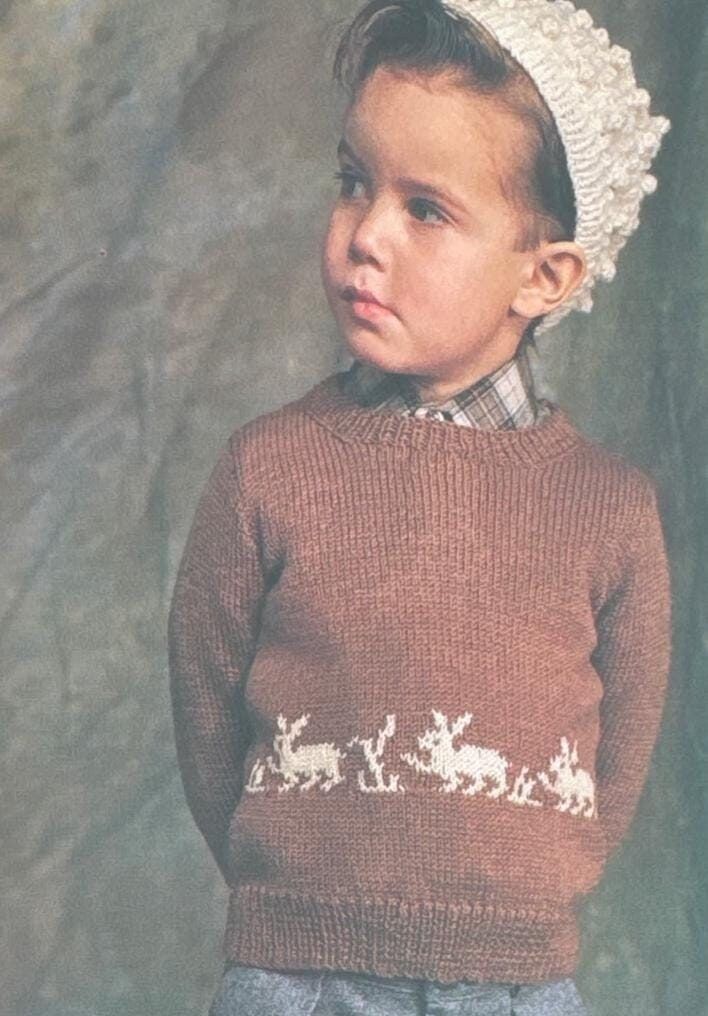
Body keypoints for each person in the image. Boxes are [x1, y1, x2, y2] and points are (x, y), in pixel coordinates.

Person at [167, 2, 673, 1013]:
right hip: (295, 974)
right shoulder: (272, 468)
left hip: (517, 983)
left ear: (547, 275)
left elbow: (612, 767)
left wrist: (515, 898)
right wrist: (297, 895)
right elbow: (208, 719)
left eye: (426, 210)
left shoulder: (608, 509)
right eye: (356, 182)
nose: (366, 236)